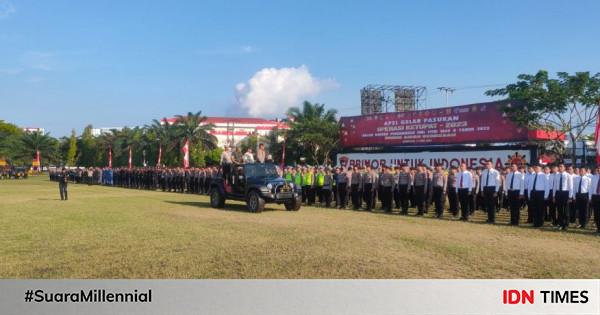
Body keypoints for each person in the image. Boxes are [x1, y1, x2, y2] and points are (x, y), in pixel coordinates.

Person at [553, 164, 572, 231]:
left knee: (566, 210)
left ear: (564, 168)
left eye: (561, 167)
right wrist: (554, 196)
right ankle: (560, 224)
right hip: (558, 193)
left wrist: (570, 197)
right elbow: (555, 186)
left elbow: (570, 187)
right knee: (559, 210)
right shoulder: (557, 175)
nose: (560, 168)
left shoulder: (568, 175)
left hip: (565, 193)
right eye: (559, 167)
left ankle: (566, 225)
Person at [588, 166, 600, 234]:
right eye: (598, 168)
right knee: (596, 214)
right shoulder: (594, 177)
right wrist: (590, 197)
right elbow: (591, 188)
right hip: (595, 197)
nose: (598, 169)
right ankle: (598, 228)